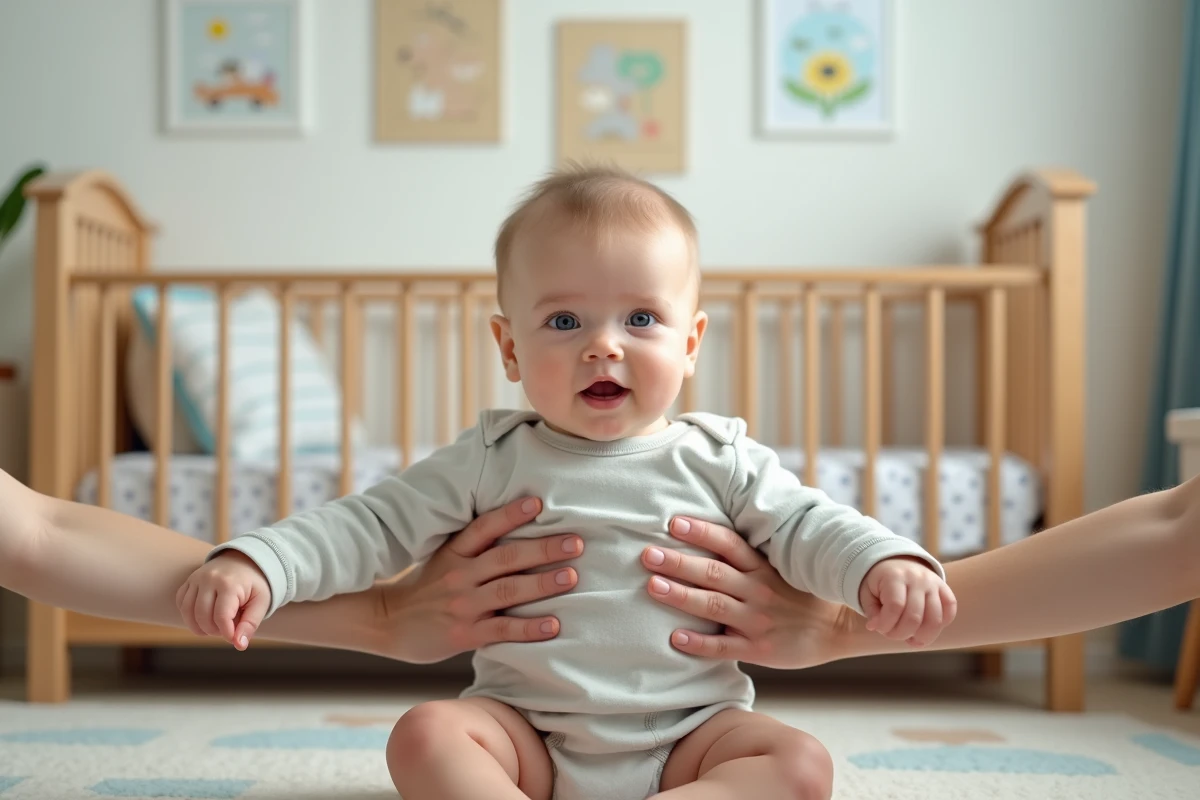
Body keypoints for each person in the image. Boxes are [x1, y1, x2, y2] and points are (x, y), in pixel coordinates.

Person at [175, 164, 953, 800]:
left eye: (641, 320)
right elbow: (367, 526)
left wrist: (885, 563)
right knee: (427, 734)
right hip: (525, 737)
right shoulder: (492, 456)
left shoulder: (723, 458)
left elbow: (813, 526)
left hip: (691, 735)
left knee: (800, 765)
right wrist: (259, 563)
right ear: (508, 349)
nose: (603, 347)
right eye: (564, 322)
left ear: (691, 343)